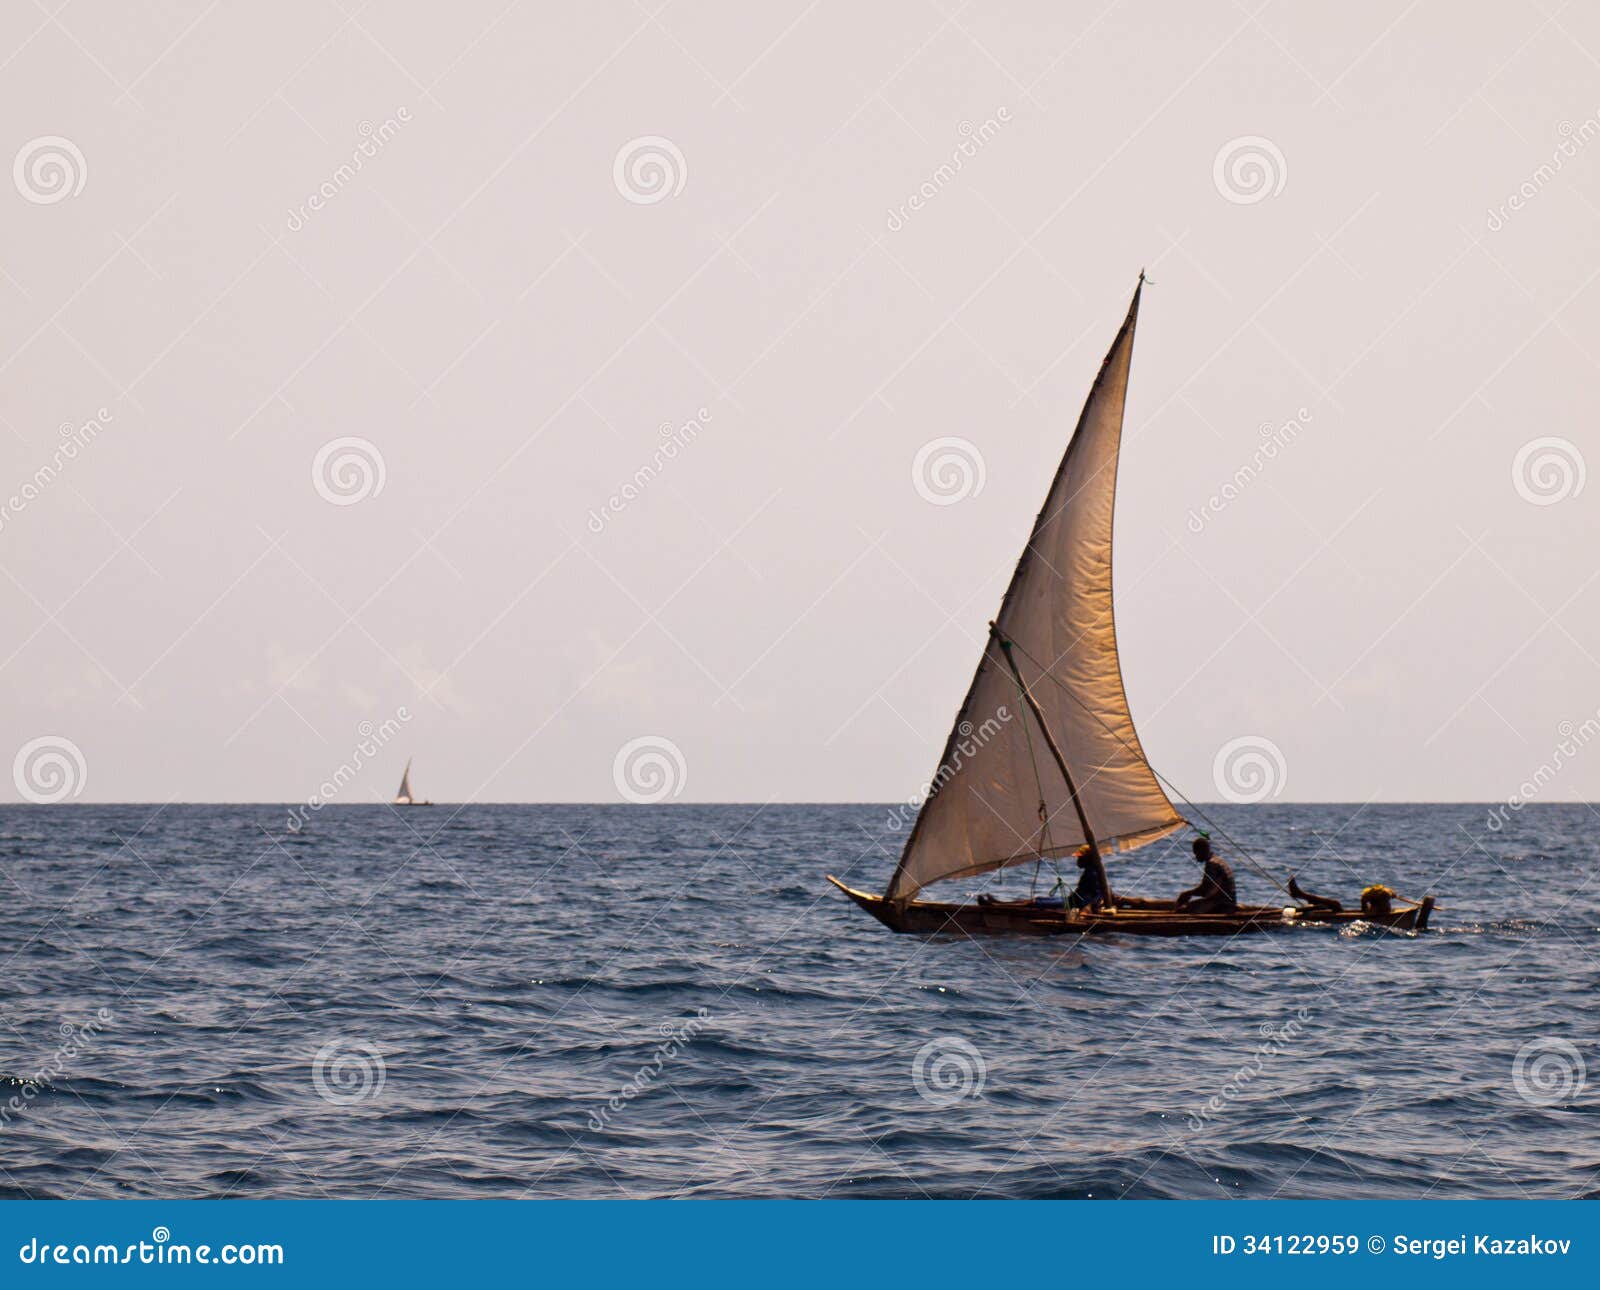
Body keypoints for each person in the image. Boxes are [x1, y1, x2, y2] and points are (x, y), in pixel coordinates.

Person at [1175, 835, 1236, 914]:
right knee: (1190, 906)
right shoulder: (1218, 860)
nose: (1196, 857)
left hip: (1223, 904)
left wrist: (1188, 894)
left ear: (1201, 851)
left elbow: (1206, 890)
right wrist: (1190, 893)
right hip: (1229, 902)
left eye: (1196, 853)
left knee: (1183, 911)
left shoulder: (1212, 864)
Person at [1065, 844, 1113, 912]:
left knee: (1047, 903)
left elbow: (1096, 895)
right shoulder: (1091, 871)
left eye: (1080, 857)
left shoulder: (1092, 874)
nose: (1078, 860)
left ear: (1086, 858)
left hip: (1083, 902)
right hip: (1080, 901)